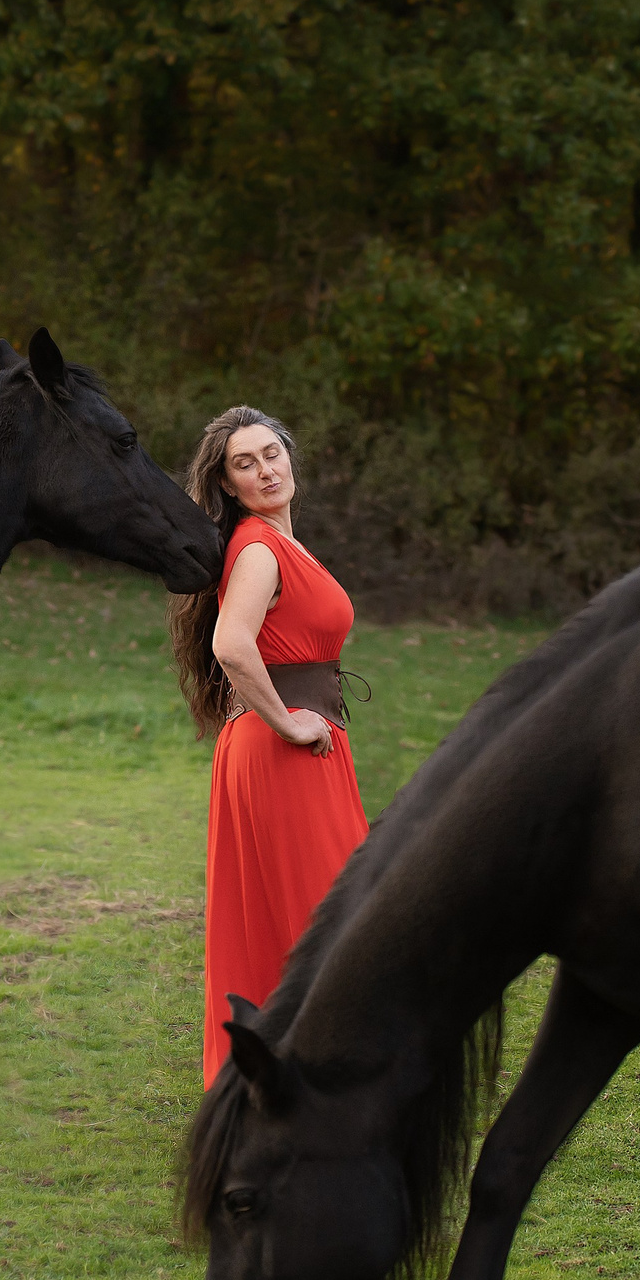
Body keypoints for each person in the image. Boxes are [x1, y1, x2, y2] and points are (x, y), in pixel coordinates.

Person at [170, 407, 370, 1088]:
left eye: (271, 453)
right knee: (326, 916)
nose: (264, 470)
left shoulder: (283, 543)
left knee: (308, 914)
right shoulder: (258, 547)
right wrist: (287, 723)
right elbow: (231, 643)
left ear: (289, 456)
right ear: (227, 484)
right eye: (244, 463)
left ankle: (287, 1079)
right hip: (280, 751)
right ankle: (318, 1077)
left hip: (297, 747)